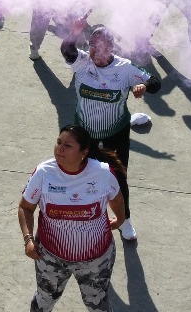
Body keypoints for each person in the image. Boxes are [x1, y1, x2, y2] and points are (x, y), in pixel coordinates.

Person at [59, 24, 160, 242]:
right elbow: (67, 49)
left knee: (119, 176)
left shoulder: (125, 69)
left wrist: (144, 87)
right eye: (92, 46)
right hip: (85, 133)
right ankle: (81, 215)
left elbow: (155, 82)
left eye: (101, 47)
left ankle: (125, 220)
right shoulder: (82, 62)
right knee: (79, 174)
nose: (95, 52)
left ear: (112, 48)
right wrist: (74, 32)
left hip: (115, 132)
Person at [18, 124, 126, 312]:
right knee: (43, 301)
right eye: (58, 142)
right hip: (51, 258)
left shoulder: (102, 173)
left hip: (96, 260)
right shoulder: (43, 173)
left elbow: (116, 198)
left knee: (97, 303)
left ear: (84, 152)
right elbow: (25, 207)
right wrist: (28, 240)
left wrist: (120, 220)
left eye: (67, 145)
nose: (59, 148)